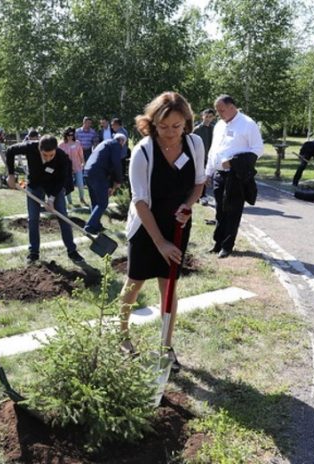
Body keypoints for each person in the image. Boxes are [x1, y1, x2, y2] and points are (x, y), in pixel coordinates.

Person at [120, 91, 206, 373]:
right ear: (152, 122)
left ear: (187, 123)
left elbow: (198, 184)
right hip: (146, 226)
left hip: (178, 222)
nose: (170, 133)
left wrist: (188, 206)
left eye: (177, 126)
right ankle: (122, 336)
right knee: (135, 282)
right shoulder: (143, 151)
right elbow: (140, 200)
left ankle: (166, 346)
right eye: (164, 126)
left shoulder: (194, 144)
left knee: (169, 286)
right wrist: (159, 242)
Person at [6, 135, 84, 264]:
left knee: (63, 216)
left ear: (55, 150)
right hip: (35, 185)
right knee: (33, 219)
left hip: (54, 186)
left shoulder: (61, 156)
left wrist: (52, 198)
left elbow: (62, 180)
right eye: (45, 155)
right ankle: (34, 253)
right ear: (39, 149)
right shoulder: (30, 147)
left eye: (51, 155)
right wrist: (11, 174)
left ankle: (72, 251)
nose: (48, 158)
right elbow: (10, 150)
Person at [205, 95, 264, 258]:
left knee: (232, 211)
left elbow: (258, 149)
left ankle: (227, 245)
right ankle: (217, 243)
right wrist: (208, 172)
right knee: (219, 210)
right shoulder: (219, 125)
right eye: (217, 111)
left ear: (232, 107)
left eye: (221, 110)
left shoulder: (247, 124)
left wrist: (234, 162)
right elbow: (213, 150)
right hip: (218, 174)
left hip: (235, 176)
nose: (219, 114)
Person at [83, 133, 127, 234]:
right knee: (103, 203)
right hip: (99, 173)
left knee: (95, 201)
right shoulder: (116, 145)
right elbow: (116, 164)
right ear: (122, 141)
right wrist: (119, 181)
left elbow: (109, 164)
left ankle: (96, 225)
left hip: (87, 172)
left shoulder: (105, 143)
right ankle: (89, 226)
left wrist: (111, 185)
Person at [59, 127, 87, 207]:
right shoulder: (61, 144)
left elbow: (81, 154)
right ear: (65, 135)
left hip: (77, 166)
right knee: (68, 185)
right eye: (68, 134)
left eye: (72, 134)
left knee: (80, 183)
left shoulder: (77, 143)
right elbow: (59, 156)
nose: (70, 136)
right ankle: (69, 201)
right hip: (66, 168)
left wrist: (83, 163)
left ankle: (82, 198)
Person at [193, 108, 216, 204]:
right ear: (202, 116)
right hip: (199, 157)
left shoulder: (214, 129)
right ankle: (196, 196)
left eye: (210, 117)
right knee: (198, 176)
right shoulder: (197, 129)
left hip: (210, 157)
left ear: (213, 118)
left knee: (206, 177)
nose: (208, 118)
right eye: (206, 116)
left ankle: (203, 195)